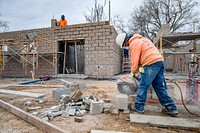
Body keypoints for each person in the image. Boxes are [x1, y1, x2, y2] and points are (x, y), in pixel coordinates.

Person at [116, 33, 178, 116]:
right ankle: (171, 108)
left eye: (124, 45)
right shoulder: (144, 40)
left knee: (142, 85)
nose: (126, 46)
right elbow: (143, 61)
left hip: (151, 63)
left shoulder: (134, 43)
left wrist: (132, 74)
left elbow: (134, 61)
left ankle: (139, 107)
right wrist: (140, 71)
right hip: (159, 62)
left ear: (126, 41)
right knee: (159, 87)